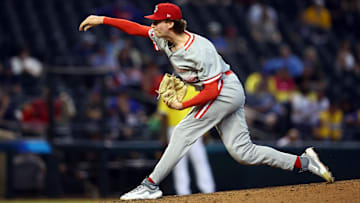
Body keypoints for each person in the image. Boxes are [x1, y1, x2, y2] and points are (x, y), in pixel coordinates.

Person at [79, 3, 334, 200]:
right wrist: (102, 19)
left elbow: (213, 90)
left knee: (182, 131)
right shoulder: (163, 37)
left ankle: (150, 185)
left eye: (157, 21)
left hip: (225, 91)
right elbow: (135, 28)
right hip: (219, 89)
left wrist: (183, 105)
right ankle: (304, 162)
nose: (153, 25)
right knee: (243, 153)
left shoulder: (200, 49)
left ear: (170, 23)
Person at [157, 84, 215, 195]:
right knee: (180, 163)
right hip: (175, 129)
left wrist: (205, 132)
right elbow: (164, 115)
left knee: (198, 159)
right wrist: (163, 136)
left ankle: (207, 190)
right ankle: (183, 193)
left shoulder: (195, 89)